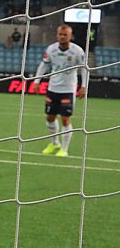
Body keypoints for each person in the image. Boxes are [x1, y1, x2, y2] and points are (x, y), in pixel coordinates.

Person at [34, 25, 88, 157]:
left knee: (65, 119)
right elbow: (44, 65)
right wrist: (37, 81)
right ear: (57, 35)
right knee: (50, 117)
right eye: (60, 34)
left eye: (65, 35)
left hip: (68, 90)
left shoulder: (78, 51)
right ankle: (54, 143)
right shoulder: (51, 49)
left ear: (71, 36)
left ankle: (64, 149)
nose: (62, 37)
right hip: (53, 88)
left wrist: (84, 86)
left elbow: (84, 69)